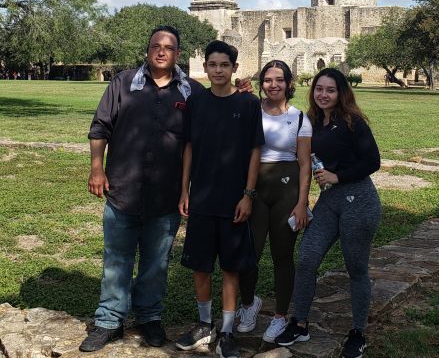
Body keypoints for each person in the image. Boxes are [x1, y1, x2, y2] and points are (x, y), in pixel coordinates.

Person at [80, 26, 205, 352]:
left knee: (156, 262)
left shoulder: (191, 91)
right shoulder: (123, 83)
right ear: (147, 50)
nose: (162, 51)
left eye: (169, 47)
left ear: (178, 54)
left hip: (166, 195)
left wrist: (242, 91)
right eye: (156, 46)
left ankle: (149, 318)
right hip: (123, 188)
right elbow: (100, 127)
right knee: (116, 260)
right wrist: (96, 168)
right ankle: (109, 321)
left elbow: (213, 120)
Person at [276, 68, 381, 358]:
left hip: (358, 201)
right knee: (307, 258)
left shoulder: (353, 122)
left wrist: (339, 176)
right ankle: (300, 323)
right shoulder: (311, 122)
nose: (323, 94)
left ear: (341, 93)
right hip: (329, 203)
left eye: (330, 90)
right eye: (319, 89)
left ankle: (358, 333)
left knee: (356, 268)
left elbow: (373, 160)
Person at [175, 40, 263, 358]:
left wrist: (248, 195)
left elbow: (255, 151)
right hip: (202, 196)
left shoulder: (249, 104)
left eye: (224, 65)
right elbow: (188, 147)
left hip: (233, 200)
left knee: (230, 267)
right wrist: (184, 189)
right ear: (206, 67)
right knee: (200, 266)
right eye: (212, 65)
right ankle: (203, 324)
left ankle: (226, 330)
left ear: (234, 68)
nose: (218, 70)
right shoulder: (197, 102)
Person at [236, 60, 313, 343]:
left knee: (282, 256)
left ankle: (280, 316)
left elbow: (305, 164)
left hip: (286, 188)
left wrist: (302, 202)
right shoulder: (251, 110)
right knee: (249, 253)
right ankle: (248, 305)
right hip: (255, 187)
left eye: (279, 80)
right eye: (268, 80)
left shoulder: (300, 118)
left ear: (289, 83)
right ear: (261, 83)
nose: (273, 85)